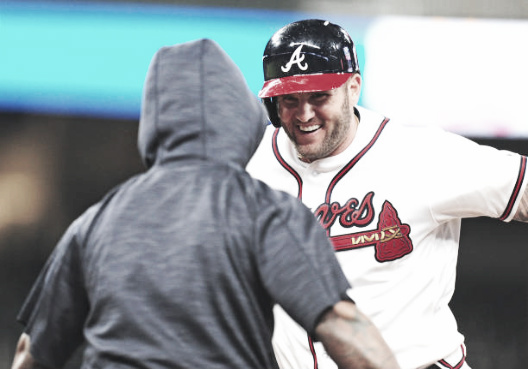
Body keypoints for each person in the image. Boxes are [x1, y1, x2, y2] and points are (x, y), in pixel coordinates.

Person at [10, 39, 400, 369]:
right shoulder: (264, 212)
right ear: (239, 118)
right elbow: (344, 327)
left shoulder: (96, 221)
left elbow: (33, 352)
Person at [246, 19, 528, 369]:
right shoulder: (251, 161)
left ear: (353, 87)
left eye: (319, 96)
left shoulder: (415, 154)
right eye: (289, 99)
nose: (304, 114)